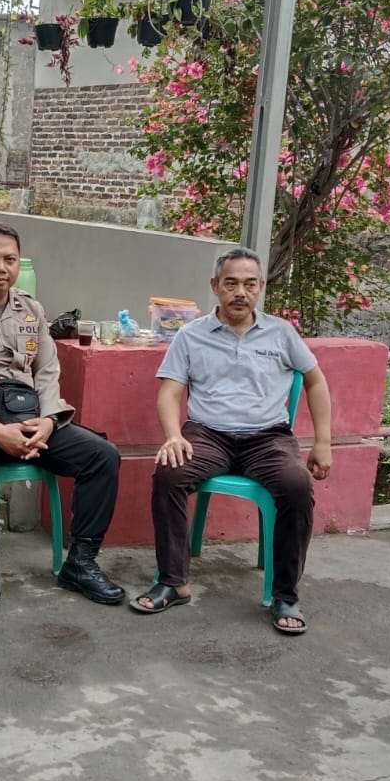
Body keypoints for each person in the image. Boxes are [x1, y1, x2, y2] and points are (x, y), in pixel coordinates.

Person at [0, 222, 126, 618]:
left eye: (10, 259)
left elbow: (47, 371)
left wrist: (48, 421)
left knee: (102, 455)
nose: (1, 268)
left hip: (30, 419)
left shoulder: (31, 309)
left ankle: (81, 562)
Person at [131, 247, 332, 636]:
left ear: (261, 287)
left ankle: (285, 595)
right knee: (169, 473)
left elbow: (315, 381)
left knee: (296, 486)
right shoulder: (191, 335)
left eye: (250, 284)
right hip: (207, 435)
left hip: (268, 438)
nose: (241, 292)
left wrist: (323, 442)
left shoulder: (282, 333)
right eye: (231, 283)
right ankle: (173, 582)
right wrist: (173, 436)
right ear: (215, 286)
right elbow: (170, 392)